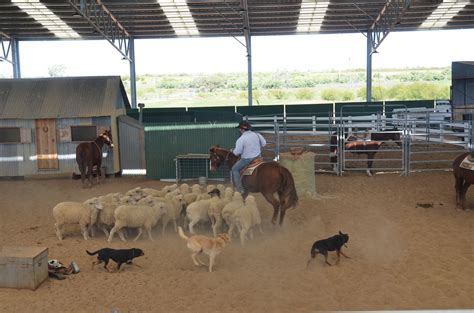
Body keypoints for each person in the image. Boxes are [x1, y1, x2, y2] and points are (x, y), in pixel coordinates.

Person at [230, 121, 266, 193]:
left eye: (240, 128)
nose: (239, 130)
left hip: (247, 159)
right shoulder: (257, 135)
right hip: (258, 157)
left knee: (234, 169)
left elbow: (237, 152)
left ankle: (240, 189)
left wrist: (233, 151)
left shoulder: (241, 139)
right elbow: (264, 144)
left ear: (242, 129)